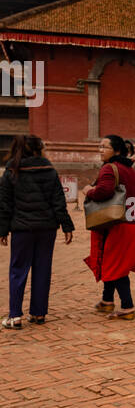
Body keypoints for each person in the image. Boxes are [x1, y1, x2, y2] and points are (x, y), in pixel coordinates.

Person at [0, 135, 74, 329]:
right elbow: (59, 202)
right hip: (47, 228)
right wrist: (67, 226)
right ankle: (38, 313)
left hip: (22, 229)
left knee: (18, 270)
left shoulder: (11, 171)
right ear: (37, 149)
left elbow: (4, 205)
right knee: (42, 269)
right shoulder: (49, 171)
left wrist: (3, 230)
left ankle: (15, 316)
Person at [85, 135, 135, 319]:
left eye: (105, 147)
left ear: (117, 151)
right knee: (111, 261)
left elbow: (104, 191)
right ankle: (107, 301)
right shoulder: (129, 170)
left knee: (116, 265)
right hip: (130, 221)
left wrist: (88, 191)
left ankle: (127, 307)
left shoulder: (109, 169)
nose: (100, 150)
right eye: (100, 146)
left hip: (115, 223)